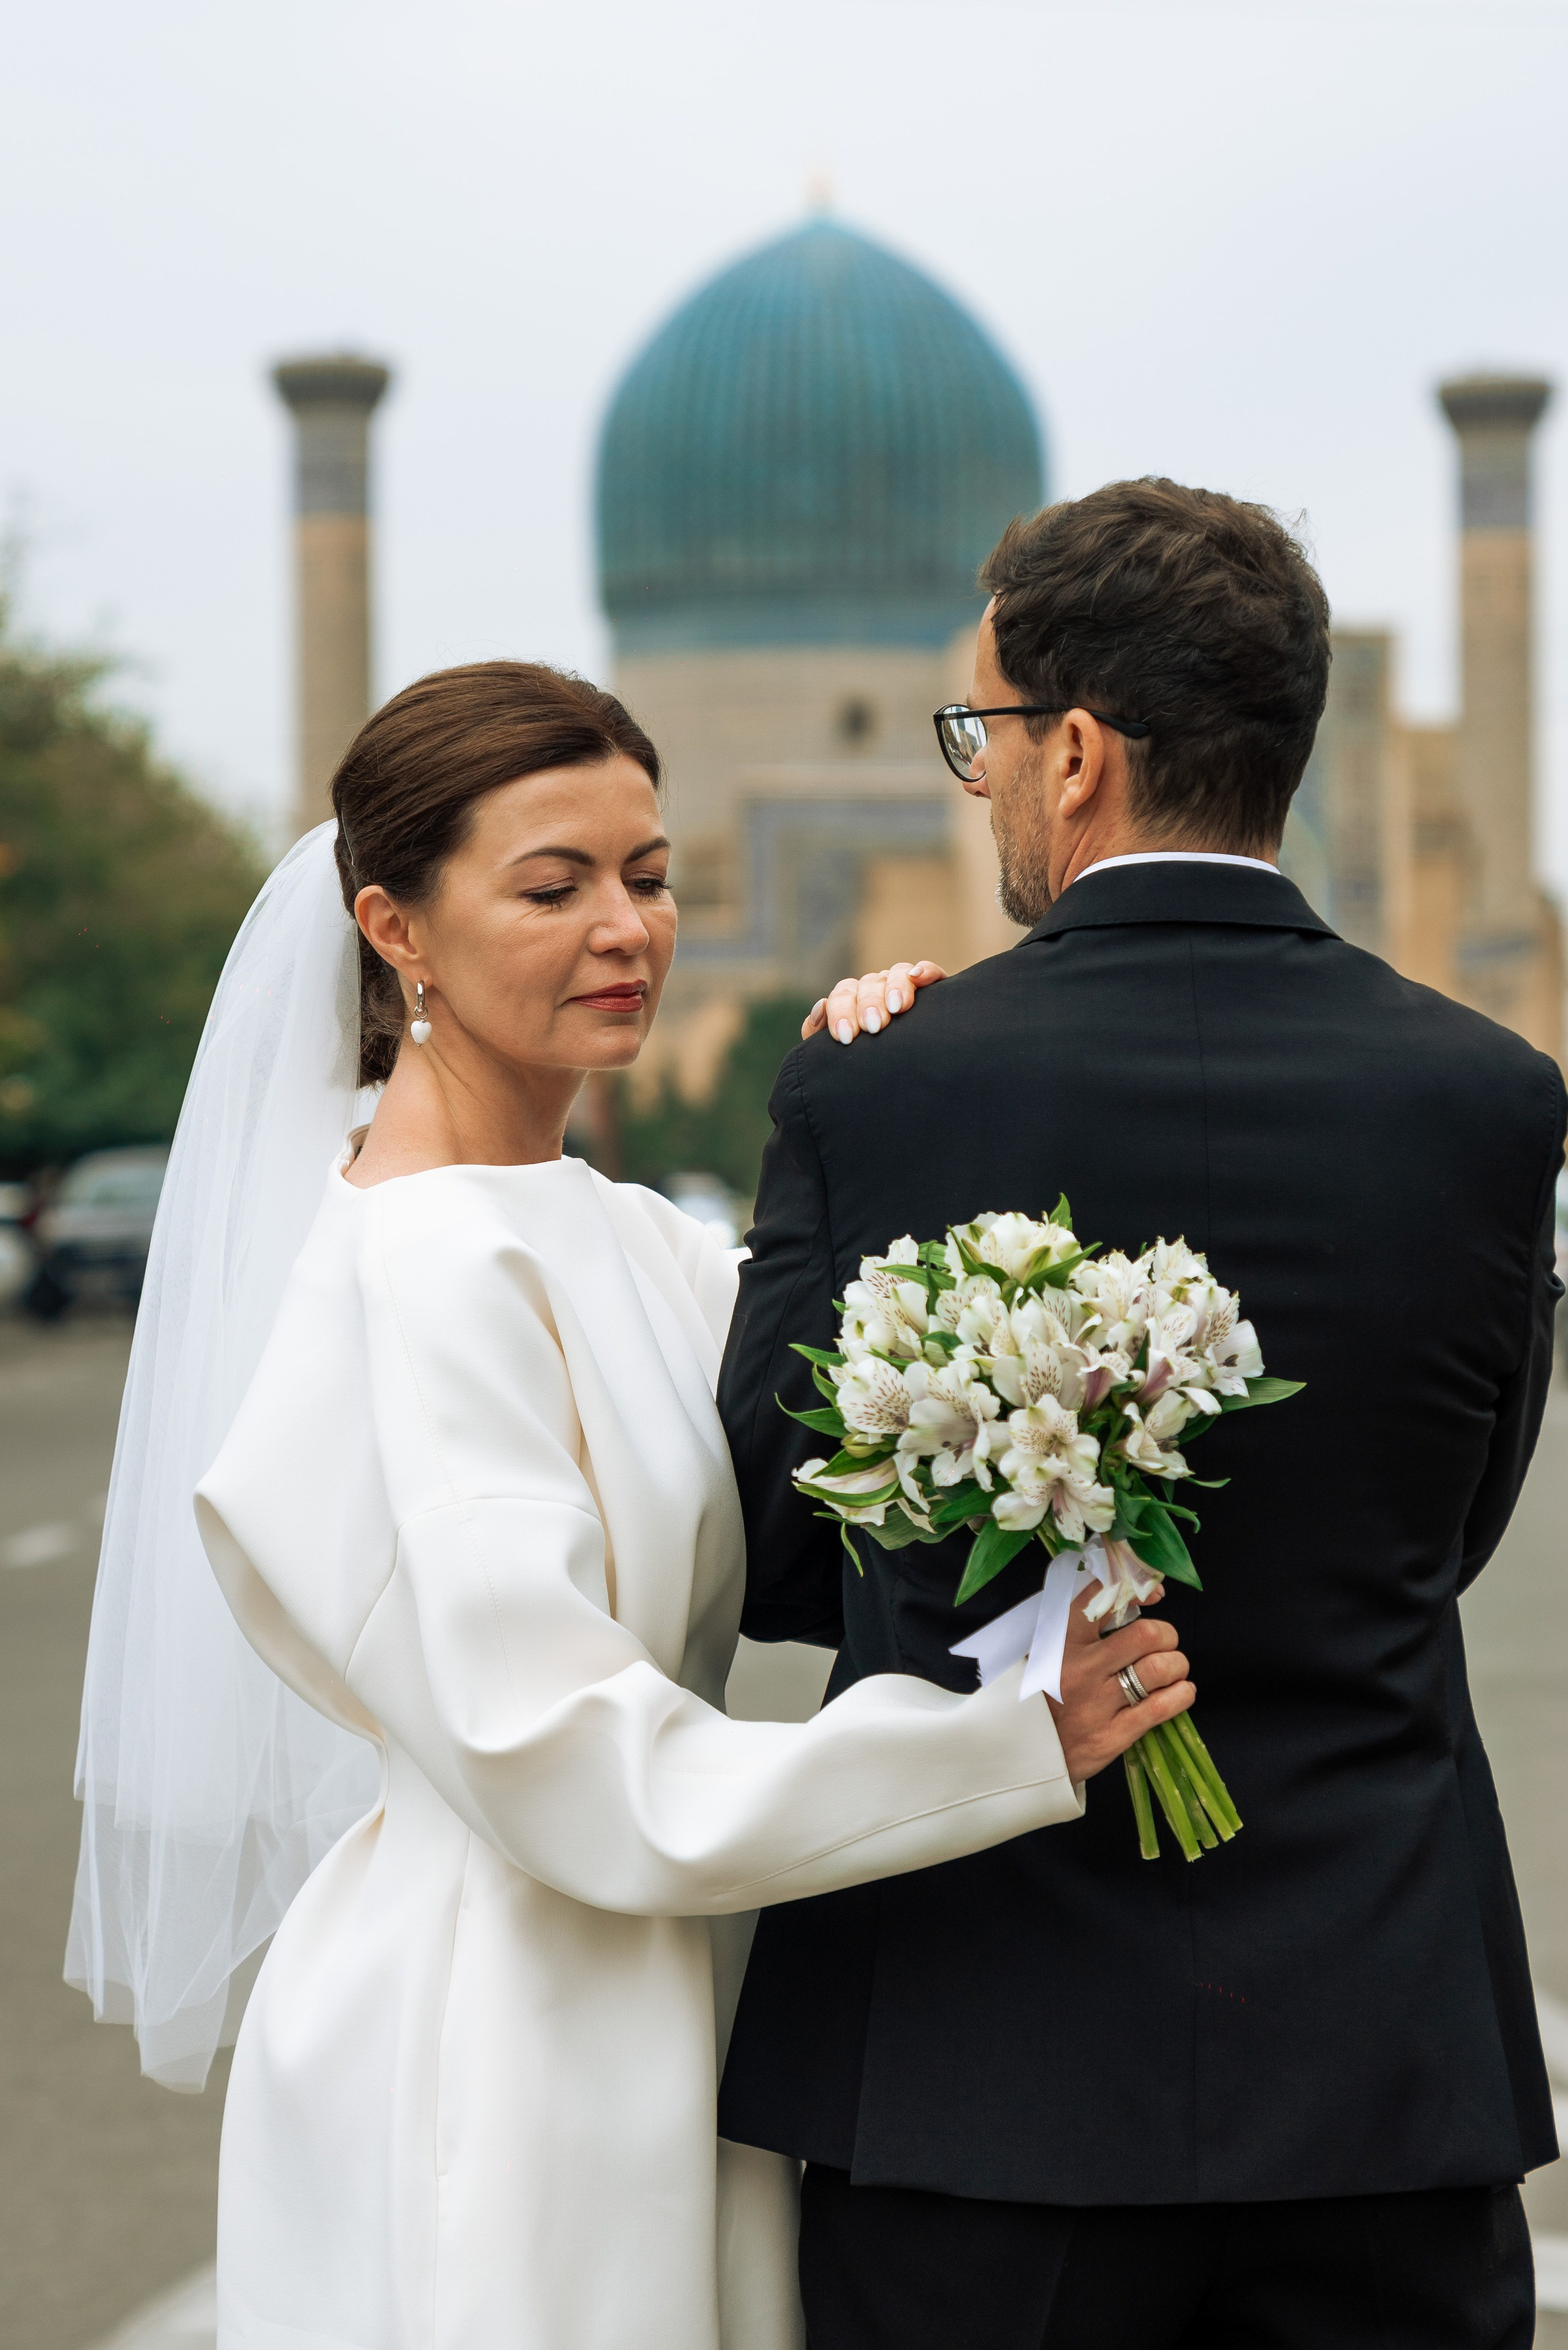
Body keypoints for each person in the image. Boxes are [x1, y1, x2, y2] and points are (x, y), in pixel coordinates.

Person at [66, 659, 1197, 2350]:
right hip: (511, 2030)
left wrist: (900, 1085)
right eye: (554, 886)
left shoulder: (612, 1231)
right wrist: (1007, 1742)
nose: (627, 929)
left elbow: (857, 1405)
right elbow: (574, 1761)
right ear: (396, 931)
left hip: (665, 1985)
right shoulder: (429, 1267)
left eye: (651, 878)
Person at [717, 479, 1565, 2350]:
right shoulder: (1492, 1103)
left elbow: (785, 1550)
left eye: (988, 739)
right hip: (1377, 2082)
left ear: (1079, 751)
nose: (985, 782)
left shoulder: (877, 1093)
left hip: (968, 2083)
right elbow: (1453, 1526)